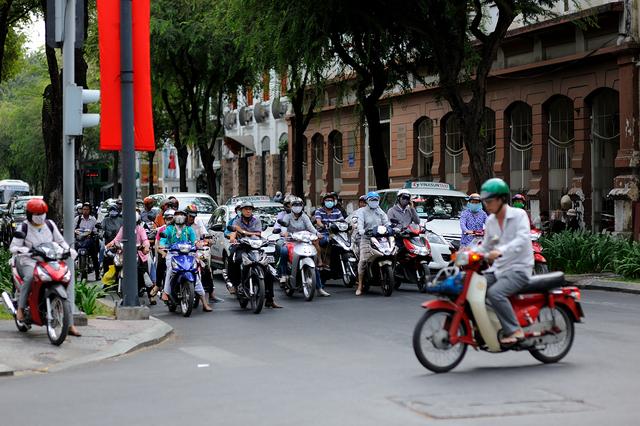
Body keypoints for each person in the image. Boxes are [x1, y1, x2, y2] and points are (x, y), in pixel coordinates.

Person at [10, 199, 82, 337]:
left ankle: (70, 324)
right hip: (28, 260)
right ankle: (20, 308)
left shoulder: (50, 224)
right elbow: (13, 247)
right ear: (30, 214)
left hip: (48, 259)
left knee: (64, 279)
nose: (40, 216)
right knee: (30, 277)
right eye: (37, 213)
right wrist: (23, 249)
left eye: (42, 213)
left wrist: (69, 250)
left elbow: (60, 241)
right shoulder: (24, 227)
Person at [479, 178, 533, 345]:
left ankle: (514, 330)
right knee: (475, 285)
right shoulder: (490, 221)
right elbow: (486, 246)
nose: (487, 205)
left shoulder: (519, 215)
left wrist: (500, 251)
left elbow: (522, 239)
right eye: (485, 201)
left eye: (490, 201)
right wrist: (467, 253)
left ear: (502, 199)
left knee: (495, 293)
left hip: (519, 268)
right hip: (499, 269)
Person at [228, 201, 282, 308]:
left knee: (268, 270)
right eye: (245, 209)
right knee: (234, 259)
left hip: (256, 247)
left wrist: (243, 232)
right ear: (241, 211)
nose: (248, 211)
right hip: (242, 247)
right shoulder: (237, 221)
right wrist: (233, 238)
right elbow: (233, 232)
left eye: (250, 209)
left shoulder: (256, 220)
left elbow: (258, 234)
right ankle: (236, 284)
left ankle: (270, 299)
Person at [159, 210, 212, 312]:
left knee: (195, 272)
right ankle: (166, 292)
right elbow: (163, 239)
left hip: (188, 254)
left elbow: (194, 241)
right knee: (170, 268)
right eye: (177, 215)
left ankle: (204, 303)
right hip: (173, 254)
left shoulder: (189, 229)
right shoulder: (169, 229)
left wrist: (199, 244)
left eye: (182, 215)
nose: (179, 217)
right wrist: (162, 245)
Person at [279, 197, 330, 296]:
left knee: (313, 263)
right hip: (291, 241)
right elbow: (283, 227)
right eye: (294, 205)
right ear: (291, 206)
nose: (297, 207)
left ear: (302, 206)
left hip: (304, 241)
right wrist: (284, 233)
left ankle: (319, 288)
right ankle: (284, 274)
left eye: (299, 205)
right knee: (283, 251)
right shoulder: (287, 217)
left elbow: (310, 227)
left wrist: (317, 233)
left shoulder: (305, 217)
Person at [106, 210, 156, 304]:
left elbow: (145, 240)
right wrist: (110, 244)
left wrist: (146, 247)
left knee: (144, 274)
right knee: (112, 263)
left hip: (139, 254)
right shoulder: (123, 228)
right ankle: (108, 284)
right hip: (124, 254)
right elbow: (116, 239)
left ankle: (151, 296)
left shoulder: (140, 229)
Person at [355, 192, 391, 296]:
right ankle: (360, 285)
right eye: (372, 200)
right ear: (367, 201)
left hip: (381, 238)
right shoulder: (362, 211)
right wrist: (361, 230)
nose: (374, 202)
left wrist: (390, 227)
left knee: (391, 252)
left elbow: (386, 221)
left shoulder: (379, 210)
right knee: (363, 260)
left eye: (376, 199)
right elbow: (360, 223)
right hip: (366, 238)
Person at [314, 193, 344, 266]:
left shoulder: (337, 211)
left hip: (335, 234)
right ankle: (320, 261)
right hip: (322, 233)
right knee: (315, 241)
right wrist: (324, 226)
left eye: (331, 200)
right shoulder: (319, 211)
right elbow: (318, 222)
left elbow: (342, 221)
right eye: (327, 200)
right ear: (324, 201)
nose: (329, 202)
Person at [151, 209, 175, 297]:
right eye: (167, 219)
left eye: (171, 219)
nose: (169, 221)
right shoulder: (162, 229)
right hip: (164, 250)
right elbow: (157, 245)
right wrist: (163, 252)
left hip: (178, 251)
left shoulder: (179, 228)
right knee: (161, 263)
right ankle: (158, 285)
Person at [75, 202, 101, 279]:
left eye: (87, 209)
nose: (85, 211)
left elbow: (96, 230)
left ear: (90, 210)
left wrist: (93, 233)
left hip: (90, 240)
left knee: (94, 256)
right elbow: (73, 228)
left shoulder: (93, 219)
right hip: (79, 240)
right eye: (84, 209)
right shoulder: (78, 219)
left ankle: (97, 274)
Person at [101, 204, 123, 274]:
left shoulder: (121, 220)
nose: (113, 212)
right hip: (109, 242)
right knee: (102, 249)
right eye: (111, 210)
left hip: (120, 243)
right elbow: (102, 229)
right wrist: (102, 234)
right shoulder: (105, 219)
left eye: (114, 210)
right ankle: (101, 265)